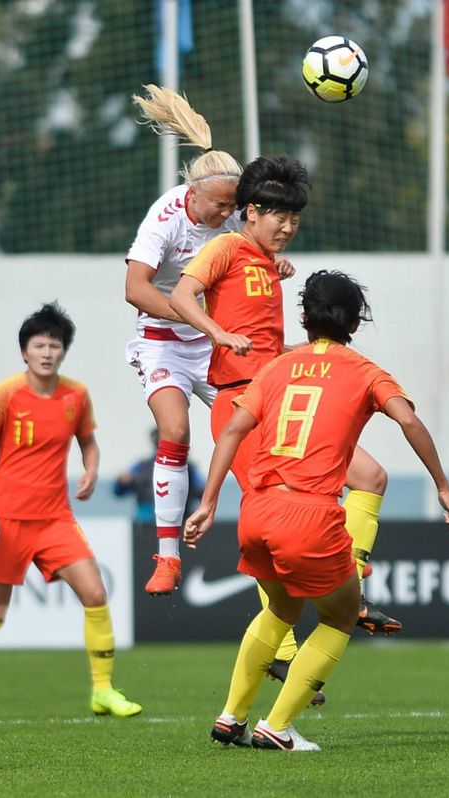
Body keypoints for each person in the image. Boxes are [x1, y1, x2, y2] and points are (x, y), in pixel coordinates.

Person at [184, 270, 449, 751]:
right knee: (339, 616)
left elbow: (231, 431)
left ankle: (231, 717)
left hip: (257, 509)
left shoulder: (274, 368)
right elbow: (409, 420)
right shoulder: (364, 370)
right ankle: (277, 727)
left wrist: (208, 503)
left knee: (281, 606)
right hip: (309, 516)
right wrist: (443, 486)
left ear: (303, 318)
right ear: (355, 323)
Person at [169, 155, 397, 703]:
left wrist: (309, 351)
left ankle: (353, 582)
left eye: (295, 220)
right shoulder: (224, 247)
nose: (288, 228)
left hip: (279, 398)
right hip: (240, 403)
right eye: (279, 218)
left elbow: (268, 347)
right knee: (270, 515)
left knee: (371, 477)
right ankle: (284, 651)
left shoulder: (269, 265)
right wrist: (218, 334)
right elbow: (180, 296)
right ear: (251, 212)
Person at [124, 85, 293, 597]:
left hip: (221, 346)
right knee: (175, 430)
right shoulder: (165, 217)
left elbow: (254, 255)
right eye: (219, 207)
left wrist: (275, 265)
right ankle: (168, 557)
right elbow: (135, 288)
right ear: (191, 194)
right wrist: (198, 320)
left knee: (261, 438)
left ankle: (288, 537)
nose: (227, 216)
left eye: (234, 208)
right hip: (164, 342)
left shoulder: (237, 216)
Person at [0, 303, 142, 718]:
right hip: (4, 520)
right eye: (38, 345)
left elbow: (88, 442)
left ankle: (103, 690)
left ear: (63, 351)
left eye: (54, 345)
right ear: (24, 352)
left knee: (95, 593)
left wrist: (92, 470)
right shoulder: (6, 393)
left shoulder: (75, 395)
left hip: (56, 518)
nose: (46, 352)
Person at [113, 427, 205, 526]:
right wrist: (122, 481)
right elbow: (119, 490)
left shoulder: (187, 467)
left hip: (180, 520)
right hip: (147, 523)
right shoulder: (142, 467)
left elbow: (201, 491)